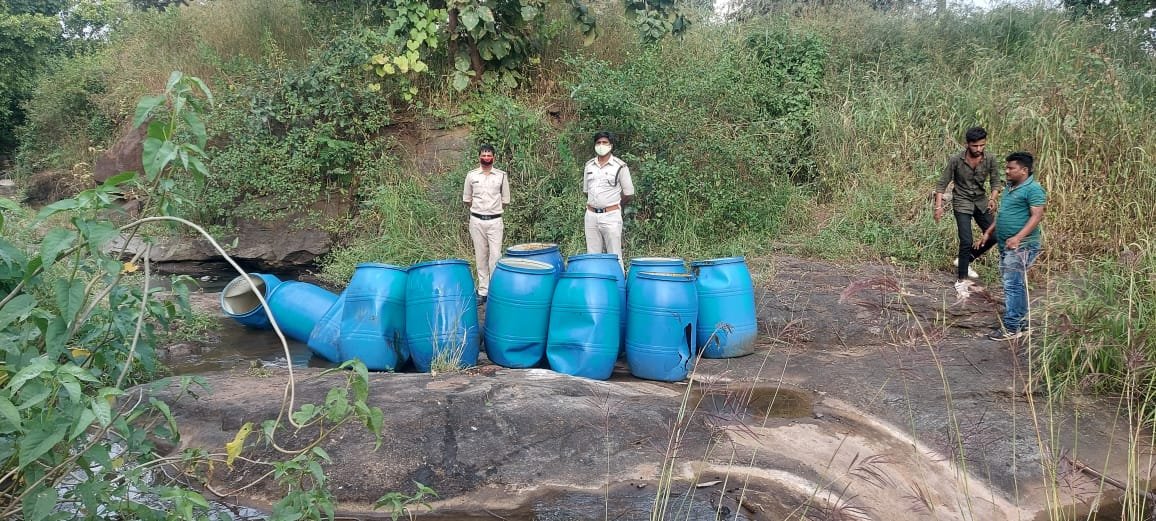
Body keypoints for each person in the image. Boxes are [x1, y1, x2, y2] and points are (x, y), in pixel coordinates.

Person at [977, 151, 1046, 341]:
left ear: (1023, 170)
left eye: (1010, 168)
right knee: (1016, 284)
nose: (1006, 171)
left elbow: (1037, 216)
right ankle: (1021, 324)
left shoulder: (1033, 189)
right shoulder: (1010, 186)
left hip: (1022, 245)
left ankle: (1012, 327)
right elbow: (1003, 214)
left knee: (1012, 285)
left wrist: (1018, 237)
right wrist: (989, 232)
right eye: (1006, 167)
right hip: (1006, 243)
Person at [934, 126, 1002, 295]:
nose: (979, 149)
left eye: (982, 145)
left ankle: (965, 260)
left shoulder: (990, 159)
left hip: (981, 202)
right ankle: (962, 279)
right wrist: (938, 206)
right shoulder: (956, 160)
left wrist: (993, 198)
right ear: (967, 144)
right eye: (975, 146)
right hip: (962, 202)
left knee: (996, 234)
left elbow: (995, 182)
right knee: (966, 240)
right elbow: (942, 184)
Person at [462, 144, 510, 304]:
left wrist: (492, 211)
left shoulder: (501, 176)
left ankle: (495, 291)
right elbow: (467, 199)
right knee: (481, 256)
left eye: (489, 155)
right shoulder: (471, 175)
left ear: (494, 157)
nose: (486, 157)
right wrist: (480, 212)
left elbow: (505, 200)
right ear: (479, 157)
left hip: (495, 221)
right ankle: (483, 292)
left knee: (495, 257)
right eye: (484, 155)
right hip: (476, 220)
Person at [582, 131, 635, 271]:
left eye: (604, 143)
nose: (601, 145)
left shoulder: (620, 166)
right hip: (591, 216)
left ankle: (618, 289)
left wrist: (614, 205)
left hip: (611, 216)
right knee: (592, 256)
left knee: (614, 256)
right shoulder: (589, 166)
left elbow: (629, 193)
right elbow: (586, 191)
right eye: (598, 143)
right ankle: (596, 288)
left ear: (611, 146)